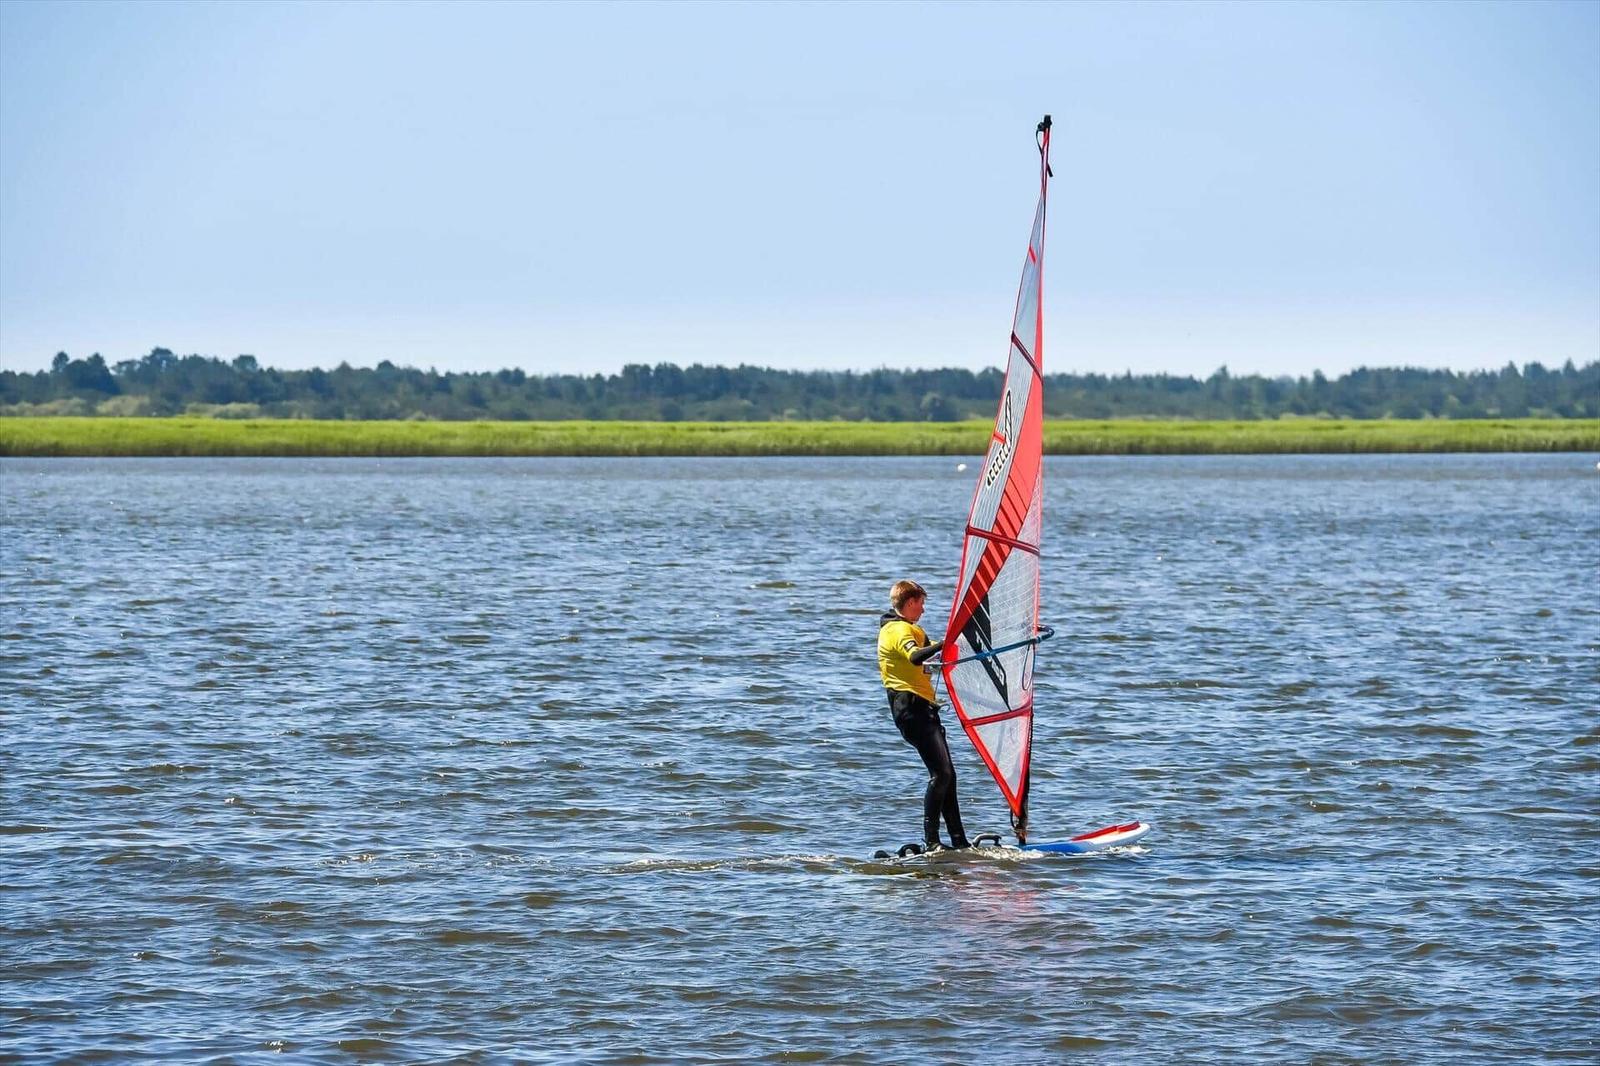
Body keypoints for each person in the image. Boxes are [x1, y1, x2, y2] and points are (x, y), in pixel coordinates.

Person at [877, 579, 969, 851]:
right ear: (909, 604)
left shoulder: (914, 630)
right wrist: (943, 642)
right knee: (940, 774)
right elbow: (916, 657)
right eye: (921, 604)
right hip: (910, 708)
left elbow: (935, 657)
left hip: (924, 708)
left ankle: (959, 841)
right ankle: (932, 842)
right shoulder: (897, 630)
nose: (924, 610)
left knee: (948, 774)